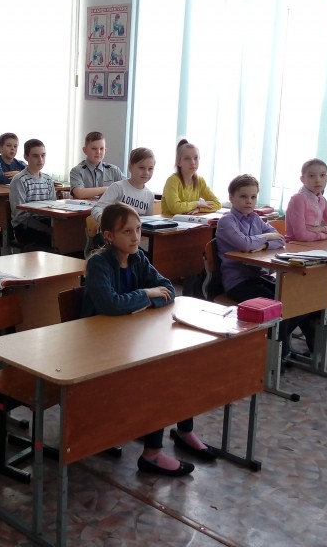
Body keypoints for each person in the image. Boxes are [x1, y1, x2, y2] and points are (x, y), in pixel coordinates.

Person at [82, 203, 215, 475]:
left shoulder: (138, 257)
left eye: (138, 229)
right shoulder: (99, 263)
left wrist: (145, 299)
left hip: (130, 338)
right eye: (127, 232)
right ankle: (152, 455)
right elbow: (111, 304)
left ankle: (184, 431)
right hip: (100, 347)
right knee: (159, 376)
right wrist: (146, 294)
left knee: (180, 364)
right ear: (108, 236)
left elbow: (168, 290)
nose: (135, 237)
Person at [216, 174, 315, 361]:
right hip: (238, 282)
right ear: (231, 197)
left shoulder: (255, 218)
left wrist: (263, 245)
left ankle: (278, 344)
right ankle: (276, 356)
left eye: (253, 197)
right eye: (243, 196)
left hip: (259, 276)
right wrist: (266, 238)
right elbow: (244, 244)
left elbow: (280, 239)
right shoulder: (227, 221)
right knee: (275, 306)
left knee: (297, 299)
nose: (249, 201)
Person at [9, 139, 56, 250]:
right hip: (24, 226)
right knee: (53, 238)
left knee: (69, 234)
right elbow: (20, 215)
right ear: (26, 157)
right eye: (35, 156)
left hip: (45, 221)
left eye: (43, 155)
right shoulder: (19, 180)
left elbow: (54, 208)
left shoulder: (48, 180)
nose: (40, 160)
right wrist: (47, 229)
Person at [91, 147, 157, 224]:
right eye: (141, 168)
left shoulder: (149, 195)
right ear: (130, 167)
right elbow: (97, 208)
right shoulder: (117, 187)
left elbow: (148, 221)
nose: (146, 172)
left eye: (150, 169)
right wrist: (105, 221)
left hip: (134, 231)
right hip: (112, 230)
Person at [284, 158, 327, 242]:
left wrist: (322, 228)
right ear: (302, 179)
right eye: (311, 176)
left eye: (322, 175)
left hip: (314, 244)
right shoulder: (298, 199)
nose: (318, 180)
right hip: (294, 245)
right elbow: (302, 236)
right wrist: (326, 236)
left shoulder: (322, 199)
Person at [160, 140, 222, 216]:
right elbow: (175, 208)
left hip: (189, 221)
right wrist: (197, 203)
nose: (192, 162)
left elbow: (217, 204)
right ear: (179, 162)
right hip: (169, 222)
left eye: (196, 158)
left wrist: (199, 209)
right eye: (187, 158)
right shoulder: (172, 180)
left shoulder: (200, 181)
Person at [69, 131, 124, 199]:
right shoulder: (77, 171)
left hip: (109, 206)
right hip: (86, 205)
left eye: (101, 149)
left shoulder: (114, 170)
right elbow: (80, 194)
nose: (98, 152)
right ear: (85, 150)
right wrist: (108, 189)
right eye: (94, 148)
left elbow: (127, 188)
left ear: (105, 150)